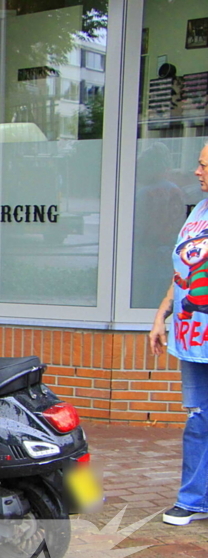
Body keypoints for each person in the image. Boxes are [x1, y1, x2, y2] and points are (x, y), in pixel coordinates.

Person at [149, 142, 208, 526]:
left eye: (203, 165)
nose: (197, 172)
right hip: (194, 336)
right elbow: (183, 272)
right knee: (199, 418)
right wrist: (162, 314)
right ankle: (193, 499)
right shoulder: (199, 211)